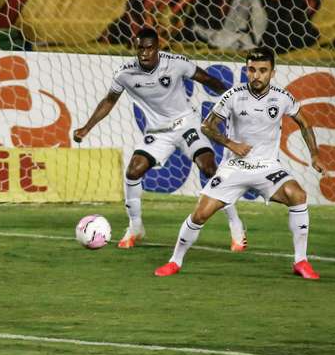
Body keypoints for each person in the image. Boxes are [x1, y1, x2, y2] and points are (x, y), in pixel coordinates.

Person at [154, 47, 325, 279]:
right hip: (234, 168)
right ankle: (175, 261)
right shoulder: (233, 95)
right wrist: (230, 144)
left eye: (263, 70)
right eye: (252, 70)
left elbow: (304, 123)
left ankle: (301, 261)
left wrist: (314, 155)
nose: (256, 75)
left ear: (272, 73)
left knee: (298, 195)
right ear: (246, 70)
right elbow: (207, 126)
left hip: (267, 168)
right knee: (200, 214)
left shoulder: (282, 98)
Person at [74, 28, 247, 250]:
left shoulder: (175, 63)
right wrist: (86, 128)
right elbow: (109, 101)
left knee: (209, 168)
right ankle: (135, 226)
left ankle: (236, 226)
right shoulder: (124, 74)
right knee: (133, 171)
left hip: (187, 125)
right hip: (157, 133)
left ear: (157, 47)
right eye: (140, 49)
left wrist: (237, 99)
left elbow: (208, 79)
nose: (144, 53)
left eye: (149, 48)